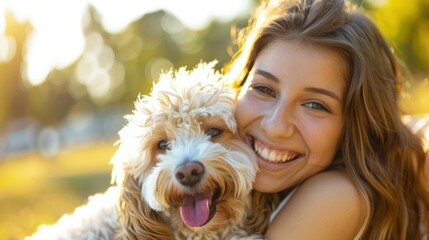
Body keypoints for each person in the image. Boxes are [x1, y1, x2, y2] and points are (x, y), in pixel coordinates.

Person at [224, 0, 429, 239]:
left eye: (315, 105)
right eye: (264, 89)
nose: (275, 126)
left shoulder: (336, 194)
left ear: (354, 125)